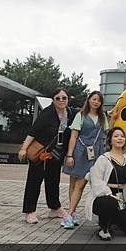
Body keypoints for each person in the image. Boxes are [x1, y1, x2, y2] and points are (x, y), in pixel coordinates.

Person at [18, 88, 75, 226]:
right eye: (58, 98)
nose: (61, 101)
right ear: (53, 100)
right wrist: (24, 148)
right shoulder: (47, 114)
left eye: (64, 98)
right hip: (42, 152)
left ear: (68, 99)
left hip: (57, 152)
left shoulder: (71, 113)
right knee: (34, 180)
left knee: (53, 180)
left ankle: (55, 208)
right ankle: (30, 211)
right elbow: (33, 132)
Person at [63, 91, 113, 228]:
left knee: (81, 184)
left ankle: (69, 214)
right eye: (94, 99)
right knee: (73, 183)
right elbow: (73, 136)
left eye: (99, 100)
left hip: (95, 153)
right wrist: (69, 155)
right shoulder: (80, 115)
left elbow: (107, 135)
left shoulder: (103, 117)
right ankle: (71, 213)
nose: (96, 102)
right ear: (89, 100)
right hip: (79, 151)